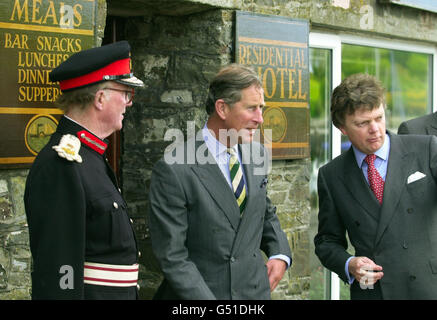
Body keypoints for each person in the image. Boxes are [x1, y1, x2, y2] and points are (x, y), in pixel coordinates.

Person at [148, 64, 292, 300]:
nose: (260, 119)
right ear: (222, 108)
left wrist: (280, 254)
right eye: (251, 108)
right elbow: (173, 256)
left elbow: (264, 213)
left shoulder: (257, 155)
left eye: (261, 108)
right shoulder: (174, 168)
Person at [24, 41, 144, 299]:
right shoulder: (61, 165)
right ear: (100, 98)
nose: (128, 103)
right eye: (126, 93)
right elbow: (59, 271)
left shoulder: (90, 157)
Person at [314, 73, 437, 299]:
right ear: (342, 128)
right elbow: (326, 241)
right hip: (373, 293)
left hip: (427, 288)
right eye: (362, 123)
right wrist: (349, 263)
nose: (375, 129)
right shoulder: (331, 175)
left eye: (379, 118)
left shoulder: (426, 148)